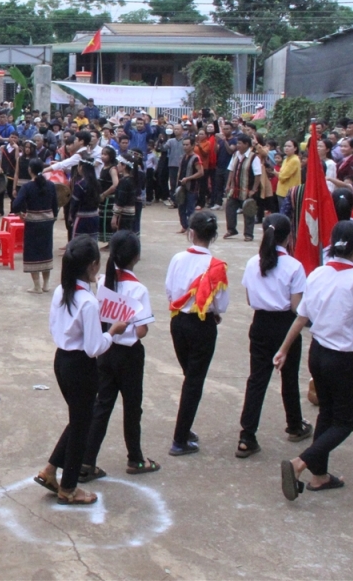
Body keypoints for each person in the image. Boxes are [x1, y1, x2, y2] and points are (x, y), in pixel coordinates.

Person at [275, 221, 353, 500]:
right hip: (342, 359)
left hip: (317, 354)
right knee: (344, 422)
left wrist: (284, 348)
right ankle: (300, 463)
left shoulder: (317, 274)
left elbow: (302, 317)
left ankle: (319, 476)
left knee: (327, 413)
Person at [35, 236, 128, 505]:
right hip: (81, 367)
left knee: (79, 419)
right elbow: (93, 347)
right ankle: (69, 487)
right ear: (92, 266)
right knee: (82, 426)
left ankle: (51, 470)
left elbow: (57, 328)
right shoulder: (88, 301)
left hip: (62, 360)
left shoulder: (61, 291)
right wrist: (112, 331)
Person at [79, 231, 158, 481]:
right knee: (132, 407)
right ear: (136, 257)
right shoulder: (138, 289)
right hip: (129, 354)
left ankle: (87, 461)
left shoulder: (103, 281)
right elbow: (142, 330)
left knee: (102, 405)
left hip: (106, 349)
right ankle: (135, 458)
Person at [236, 214, 310, 459]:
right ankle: (295, 425)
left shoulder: (252, 262)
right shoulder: (294, 266)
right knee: (289, 378)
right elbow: (296, 307)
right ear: (288, 237)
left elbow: (249, 299)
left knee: (257, 379)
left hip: (260, 324)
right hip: (285, 325)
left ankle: (247, 436)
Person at [164, 210, 229, 456]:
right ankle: (180, 438)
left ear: (191, 233)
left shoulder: (178, 259)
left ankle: (184, 429)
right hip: (202, 326)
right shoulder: (216, 266)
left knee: (189, 375)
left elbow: (170, 291)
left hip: (179, 322)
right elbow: (221, 305)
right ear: (213, 236)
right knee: (194, 381)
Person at [12, 158, 58, 294]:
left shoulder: (27, 187)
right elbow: (55, 205)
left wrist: (20, 214)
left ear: (30, 170)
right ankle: (46, 284)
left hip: (33, 222)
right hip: (47, 221)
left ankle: (37, 286)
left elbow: (16, 205)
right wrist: (52, 217)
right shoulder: (50, 185)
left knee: (33, 252)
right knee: (46, 250)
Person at [176, 138, 204, 232]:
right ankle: (185, 225)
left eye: (187, 145)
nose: (185, 147)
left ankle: (191, 227)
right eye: (184, 145)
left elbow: (200, 172)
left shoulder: (196, 158)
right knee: (181, 207)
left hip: (192, 186)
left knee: (190, 208)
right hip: (182, 185)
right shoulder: (183, 157)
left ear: (192, 146)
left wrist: (188, 178)